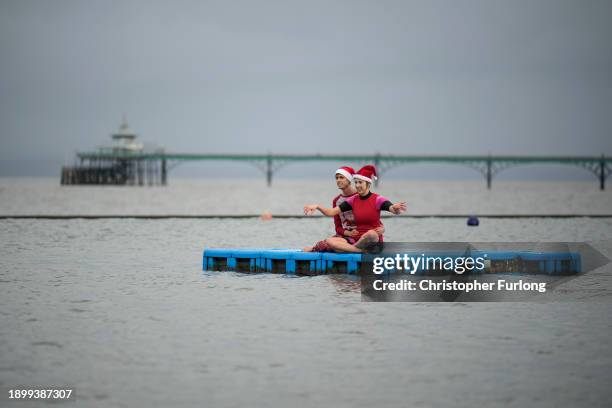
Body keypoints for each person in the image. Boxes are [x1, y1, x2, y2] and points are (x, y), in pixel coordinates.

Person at [304, 165, 406, 253]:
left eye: (360, 183)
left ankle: (352, 249)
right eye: (356, 182)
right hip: (352, 238)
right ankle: (358, 250)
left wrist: (394, 209)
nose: (357, 185)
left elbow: (387, 210)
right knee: (329, 242)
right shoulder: (351, 200)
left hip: (369, 237)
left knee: (371, 234)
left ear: (368, 184)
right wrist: (317, 206)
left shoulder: (375, 198)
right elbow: (333, 215)